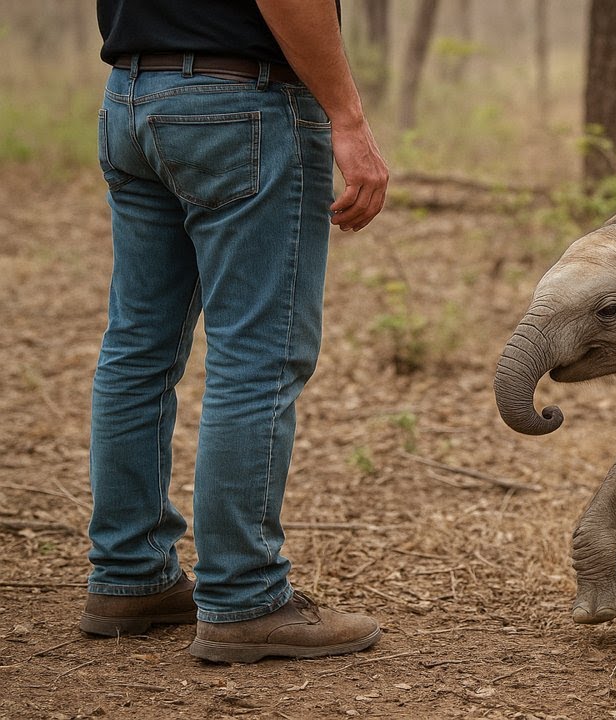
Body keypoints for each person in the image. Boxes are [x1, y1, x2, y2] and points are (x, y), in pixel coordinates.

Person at [81, 0, 389, 663]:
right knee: (257, 357)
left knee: (138, 347)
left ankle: (129, 574)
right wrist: (348, 117)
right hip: (239, 104)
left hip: (132, 95)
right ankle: (244, 597)